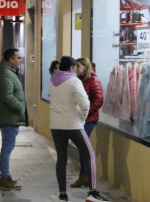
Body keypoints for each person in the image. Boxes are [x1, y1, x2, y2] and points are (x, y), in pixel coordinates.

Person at [49, 56, 108, 202]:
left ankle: (62, 194)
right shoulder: (74, 80)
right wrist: (81, 119)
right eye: (75, 67)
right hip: (73, 124)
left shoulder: (53, 81)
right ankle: (93, 193)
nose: (76, 70)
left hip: (56, 125)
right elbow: (86, 104)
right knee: (90, 155)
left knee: (61, 158)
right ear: (71, 68)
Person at [0, 48, 27, 190]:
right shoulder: (6, 74)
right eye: (18, 58)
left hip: (9, 116)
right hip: (9, 116)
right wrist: (20, 107)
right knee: (7, 148)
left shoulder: (8, 72)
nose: (20, 60)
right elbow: (7, 96)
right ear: (11, 59)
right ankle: (4, 178)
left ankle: (6, 176)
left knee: (8, 147)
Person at [71, 57, 104, 188]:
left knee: (84, 147)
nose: (75, 69)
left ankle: (85, 177)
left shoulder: (93, 80)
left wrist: (85, 112)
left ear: (85, 67)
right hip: (80, 118)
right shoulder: (79, 80)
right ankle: (84, 176)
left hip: (89, 119)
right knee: (82, 147)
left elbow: (99, 100)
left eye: (78, 66)